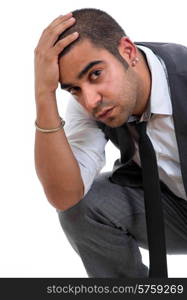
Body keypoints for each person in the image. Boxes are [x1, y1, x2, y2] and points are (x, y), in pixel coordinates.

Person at [34, 8, 187, 278]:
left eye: (95, 74)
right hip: (175, 208)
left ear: (127, 51)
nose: (90, 100)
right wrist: (44, 94)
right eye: (74, 89)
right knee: (82, 207)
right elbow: (65, 195)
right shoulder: (88, 104)